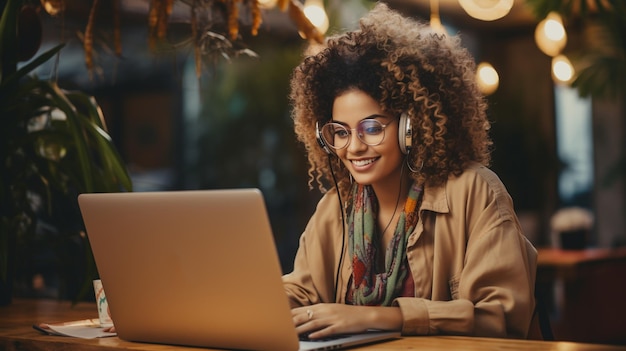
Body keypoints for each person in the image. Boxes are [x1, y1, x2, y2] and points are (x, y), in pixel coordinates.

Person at [283, 2, 537, 340]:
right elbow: (301, 293)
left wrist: (373, 318)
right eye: (340, 132)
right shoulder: (335, 209)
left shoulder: (474, 192)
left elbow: (500, 316)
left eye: (372, 128)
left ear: (410, 127)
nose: (354, 147)